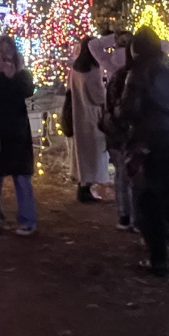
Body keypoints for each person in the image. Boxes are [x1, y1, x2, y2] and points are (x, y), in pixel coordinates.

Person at [126, 27, 169, 275]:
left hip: (148, 142)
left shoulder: (140, 73)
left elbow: (129, 109)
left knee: (148, 199)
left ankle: (159, 258)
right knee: (167, 195)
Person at [0, 35, 37, 236]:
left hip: (17, 132)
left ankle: (27, 219)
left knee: (22, 176)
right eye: (0, 54)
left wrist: (11, 76)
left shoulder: (22, 74)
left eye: (9, 54)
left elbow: (26, 90)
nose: (4, 58)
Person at [101, 43, 138, 229]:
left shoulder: (120, 75)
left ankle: (128, 215)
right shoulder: (126, 76)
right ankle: (129, 216)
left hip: (120, 134)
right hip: (124, 134)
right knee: (127, 176)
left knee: (124, 175)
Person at [68, 38, 108, 203]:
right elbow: (98, 96)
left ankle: (82, 186)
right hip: (92, 116)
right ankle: (86, 188)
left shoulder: (75, 68)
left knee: (82, 153)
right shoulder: (92, 69)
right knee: (93, 154)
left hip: (78, 114)